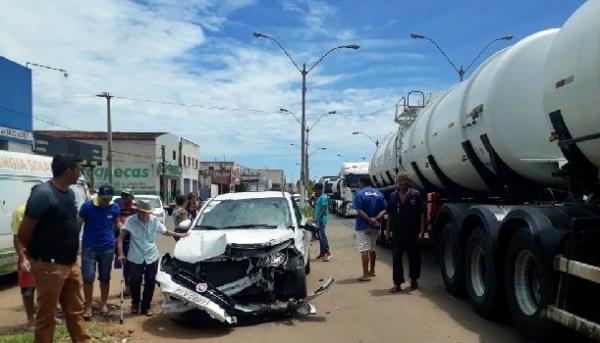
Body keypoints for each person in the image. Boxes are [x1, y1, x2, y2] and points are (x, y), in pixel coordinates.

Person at [18, 154, 91, 343]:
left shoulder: (69, 194)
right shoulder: (43, 194)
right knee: (47, 316)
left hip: (70, 264)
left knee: (75, 310)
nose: (79, 173)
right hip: (49, 266)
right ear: (68, 171)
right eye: (78, 169)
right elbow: (23, 233)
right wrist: (38, 258)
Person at [117, 200, 189, 316]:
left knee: (150, 281)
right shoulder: (131, 221)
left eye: (146, 212)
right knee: (135, 281)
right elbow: (121, 238)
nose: (144, 214)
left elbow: (165, 232)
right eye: (142, 212)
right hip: (135, 256)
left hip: (151, 255)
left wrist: (179, 235)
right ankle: (135, 303)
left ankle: (146, 306)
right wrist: (121, 253)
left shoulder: (154, 220)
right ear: (138, 210)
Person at [78, 184, 121, 319]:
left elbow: (117, 223)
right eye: (103, 199)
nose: (105, 202)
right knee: (88, 277)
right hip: (89, 247)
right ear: (98, 197)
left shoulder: (114, 207)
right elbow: (78, 224)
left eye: (108, 199)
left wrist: (124, 231)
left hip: (107, 247)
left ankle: (103, 304)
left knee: (105, 277)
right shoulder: (87, 206)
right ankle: (88, 306)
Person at [386, 172, 425, 292]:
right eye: (400, 180)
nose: (402, 182)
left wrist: (422, 231)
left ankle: (414, 280)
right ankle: (397, 284)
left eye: (405, 180)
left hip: (413, 233)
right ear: (398, 182)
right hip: (397, 233)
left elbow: (422, 213)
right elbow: (390, 214)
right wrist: (387, 232)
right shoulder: (392, 196)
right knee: (396, 259)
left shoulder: (416, 195)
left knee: (414, 258)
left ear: (409, 182)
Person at [353, 176, 386, 282]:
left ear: (361, 182)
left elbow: (359, 210)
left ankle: (365, 274)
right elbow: (385, 209)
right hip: (375, 226)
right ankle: (372, 270)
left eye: (359, 182)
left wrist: (369, 220)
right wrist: (375, 219)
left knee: (364, 250)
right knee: (372, 248)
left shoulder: (360, 194)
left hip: (363, 226)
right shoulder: (379, 194)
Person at [114, 188, 136, 295]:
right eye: (123, 196)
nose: (125, 198)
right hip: (123, 242)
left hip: (135, 243)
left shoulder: (136, 211)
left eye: (127, 196)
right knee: (125, 266)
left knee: (135, 266)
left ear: (132, 198)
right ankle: (127, 288)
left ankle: (134, 286)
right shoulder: (118, 210)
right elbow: (115, 224)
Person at [313, 183, 332, 261]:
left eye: (315, 190)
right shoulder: (319, 197)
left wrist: (317, 218)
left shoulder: (323, 197)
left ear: (319, 189)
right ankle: (322, 253)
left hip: (321, 220)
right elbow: (316, 208)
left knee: (323, 237)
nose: (315, 192)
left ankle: (327, 252)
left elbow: (324, 210)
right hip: (318, 220)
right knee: (320, 237)